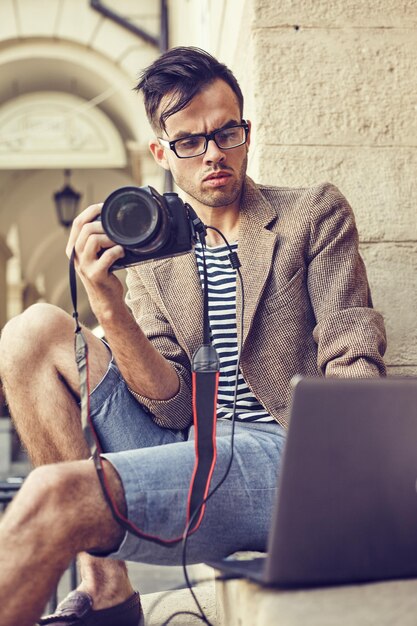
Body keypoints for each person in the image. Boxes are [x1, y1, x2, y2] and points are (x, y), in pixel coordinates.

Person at [0, 46, 386, 626]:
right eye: (190, 141)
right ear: (162, 152)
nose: (214, 154)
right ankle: (106, 586)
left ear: (246, 132)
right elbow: (172, 401)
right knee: (29, 333)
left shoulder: (312, 214)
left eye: (227, 133)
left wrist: (347, 479)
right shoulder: (156, 256)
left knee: (51, 498)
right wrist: (107, 302)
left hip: (282, 455)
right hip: (189, 449)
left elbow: (351, 353)